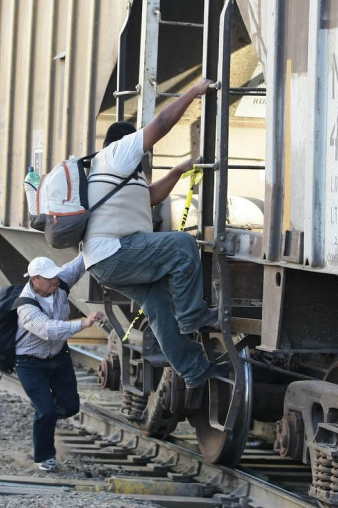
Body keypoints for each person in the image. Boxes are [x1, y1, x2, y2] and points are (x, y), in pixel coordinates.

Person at [83, 78, 231, 390]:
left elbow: (150, 197)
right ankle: (192, 315)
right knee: (182, 245)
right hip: (117, 252)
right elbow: (162, 122)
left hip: (109, 262)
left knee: (160, 309)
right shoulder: (118, 152)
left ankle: (193, 370)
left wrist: (179, 171)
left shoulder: (114, 172)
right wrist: (193, 92)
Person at [15, 254, 105, 472]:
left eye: (54, 276)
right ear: (35, 279)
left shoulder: (59, 281)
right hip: (30, 363)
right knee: (45, 411)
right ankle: (44, 457)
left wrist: (97, 241)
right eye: (48, 278)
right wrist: (83, 323)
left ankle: (44, 413)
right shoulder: (26, 306)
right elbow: (49, 330)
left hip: (58, 358)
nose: (54, 280)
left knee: (71, 406)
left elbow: (80, 262)